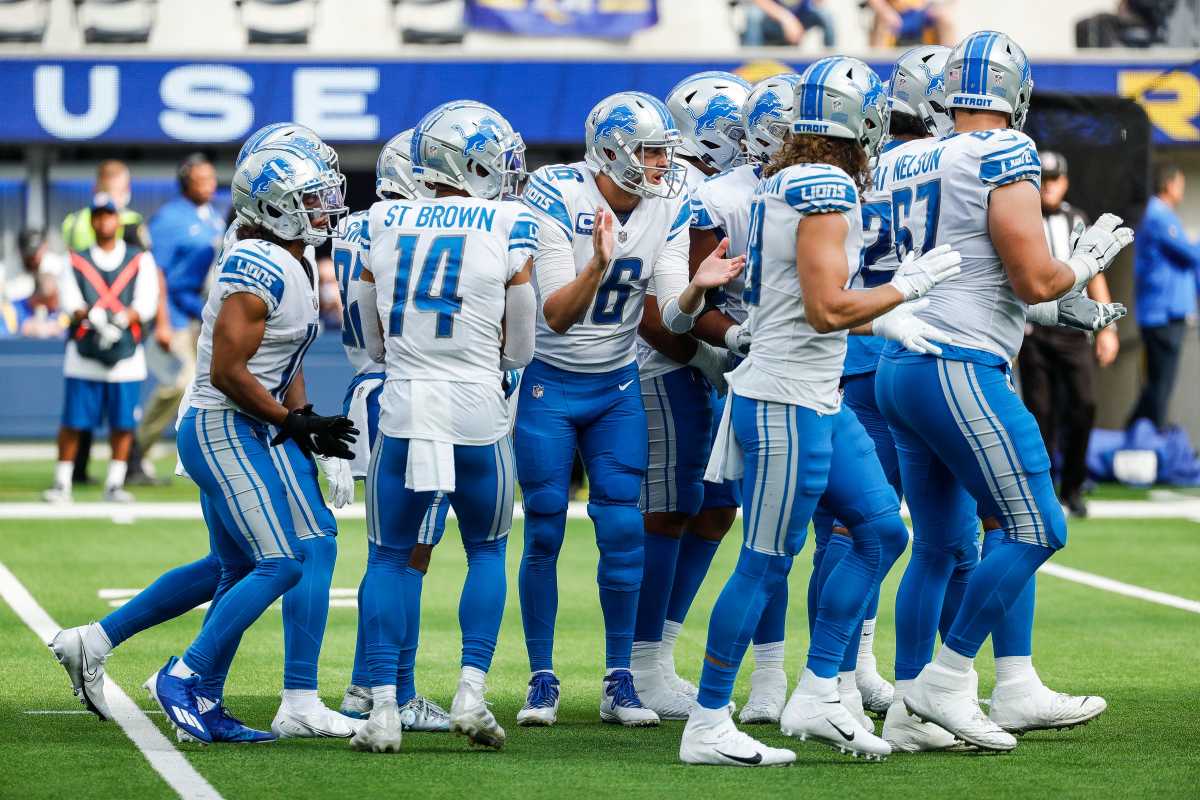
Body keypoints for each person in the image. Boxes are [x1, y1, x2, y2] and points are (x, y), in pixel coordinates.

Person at [680, 56, 960, 767]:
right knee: (766, 561)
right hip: (782, 402)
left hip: (812, 392)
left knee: (878, 530)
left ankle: (818, 688)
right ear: (861, 119)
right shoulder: (825, 185)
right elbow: (826, 306)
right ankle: (708, 722)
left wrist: (879, 320)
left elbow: (806, 305)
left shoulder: (791, 181)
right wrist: (904, 290)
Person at [873, 30, 1130, 752]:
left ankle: (908, 707)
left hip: (905, 361)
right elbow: (1030, 276)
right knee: (1036, 524)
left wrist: (1047, 304)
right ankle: (943, 683)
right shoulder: (1004, 150)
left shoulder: (900, 156)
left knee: (939, 546)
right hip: (959, 365)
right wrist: (1075, 267)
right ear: (1015, 95)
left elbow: (966, 267)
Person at [515, 91, 745, 728]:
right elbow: (557, 315)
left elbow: (671, 314)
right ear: (610, 148)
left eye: (663, 150)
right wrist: (599, 262)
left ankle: (621, 679)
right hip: (551, 382)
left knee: (621, 531)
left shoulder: (670, 201)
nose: (659, 163)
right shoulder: (557, 193)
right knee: (544, 531)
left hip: (615, 385)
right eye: (648, 150)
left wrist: (698, 293)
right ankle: (541, 677)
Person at [140, 142, 358, 745]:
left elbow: (280, 361)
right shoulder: (258, 262)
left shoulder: (296, 259)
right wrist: (295, 425)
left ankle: (201, 693)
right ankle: (182, 677)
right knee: (281, 561)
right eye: (309, 199)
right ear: (274, 205)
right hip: (221, 425)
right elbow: (228, 372)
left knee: (241, 564)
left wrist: (304, 420)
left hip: (245, 424)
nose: (323, 208)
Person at [350, 101, 536, 753]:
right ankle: (470, 692)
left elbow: (368, 335)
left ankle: (381, 712)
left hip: (404, 404)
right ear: (472, 161)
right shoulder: (511, 222)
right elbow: (521, 348)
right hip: (478, 406)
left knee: (388, 557)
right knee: (486, 550)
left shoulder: (382, 219)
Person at [661, 73, 803, 727]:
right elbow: (695, 306)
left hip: (824, 373)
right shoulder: (719, 196)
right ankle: (768, 678)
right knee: (765, 530)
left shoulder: (834, 186)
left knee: (856, 526)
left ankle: (844, 676)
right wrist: (740, 338)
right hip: (757, 379)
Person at [629, 70, 751, 720]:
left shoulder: (728, 187)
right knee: (671, 507)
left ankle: (660, 653)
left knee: (720, 505)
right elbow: (656, 309)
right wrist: (714, 355)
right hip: (665, 360)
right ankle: (640, 663)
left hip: (714, 359)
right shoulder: (678, 184)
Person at [334, 128, 453, 734]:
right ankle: (390, 689)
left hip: (372, 384)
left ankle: (368, 679)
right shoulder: (412, 228)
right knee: (408, 554)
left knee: (391, 552)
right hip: (412, 387)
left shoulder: (360, 224)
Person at [1018, 151, 1120, 517]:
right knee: (1040, 411)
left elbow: (1096, 275)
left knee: (1084, 404)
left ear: (1065, 182)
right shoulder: (1021, 217)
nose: (1048, 186)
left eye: (1054, 178)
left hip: (1074, 331)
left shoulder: (1077, 218)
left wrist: (1107, 325)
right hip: (1035, 331)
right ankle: (1043, 491)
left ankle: (1073, 486)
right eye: (1043, 178)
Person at [42, 194, 160, 505]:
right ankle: (62, 482)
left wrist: (122, 318)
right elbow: (70, 300)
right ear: (92, 221)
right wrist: (90, 315)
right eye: (98, 215)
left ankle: (114, 483)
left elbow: (146, 303)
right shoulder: (76, 258)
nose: (104, 221)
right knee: (73, 421)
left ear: (118, 220)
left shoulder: (139, 259)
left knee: (123, 423)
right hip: (85, 351)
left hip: (125, 353)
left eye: (109, 215)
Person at [131, 153, 225, 485]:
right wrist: (161, 322)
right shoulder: (170, 218)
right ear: (187, 182)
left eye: (212, 179)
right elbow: (155, 270)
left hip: (199, 315)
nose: (210, 186)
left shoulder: (213, 216)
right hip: (172, 314)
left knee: (209, 385)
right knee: (179, 382)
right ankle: (135, 450)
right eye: (203, 180)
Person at [1127, 162, 1200, 430]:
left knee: (1160, 382)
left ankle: (1140, 433)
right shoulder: (1159, 216)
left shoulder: (1165, 215)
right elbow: (1191, 254)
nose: (1181, 190)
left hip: (1170, 313)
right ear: (1169, 184)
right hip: (1162, 315)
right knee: (1161, 383)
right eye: (1180, 184)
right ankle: (1152, 438)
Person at [740, 0, 836, 48]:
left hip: (801, 19)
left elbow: (818, 3)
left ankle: (831, 64)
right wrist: (787, 19)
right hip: (771, 21)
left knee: (826, 16)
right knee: (753, 15)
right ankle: (752, 63)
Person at [867, 0, 955, 46]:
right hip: (896, 13)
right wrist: (886, 12)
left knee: (945, 21)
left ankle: (947, 63)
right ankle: (879, 69)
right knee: (882, 22)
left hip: (923, 13)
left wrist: (941, 8)